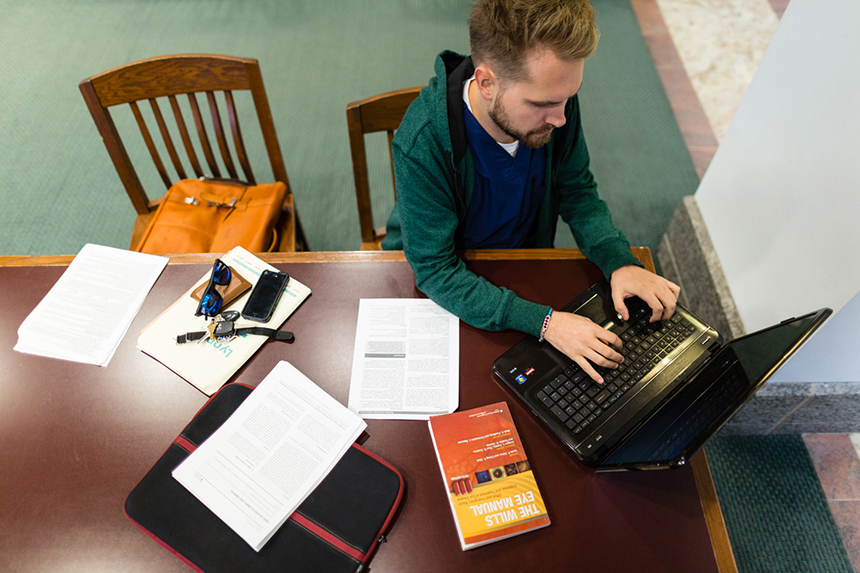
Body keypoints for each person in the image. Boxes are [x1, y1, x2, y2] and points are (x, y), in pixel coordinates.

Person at [381, 0, 680, 384]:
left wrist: (618, 260)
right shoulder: (422, 141)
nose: (561, 118)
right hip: (446, 276)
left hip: (522, 261)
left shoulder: (555, 102)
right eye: (543, 104)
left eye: (568, 97)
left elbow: (577, 191)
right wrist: (546, 324)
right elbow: (435, 270)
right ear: (486, 83)